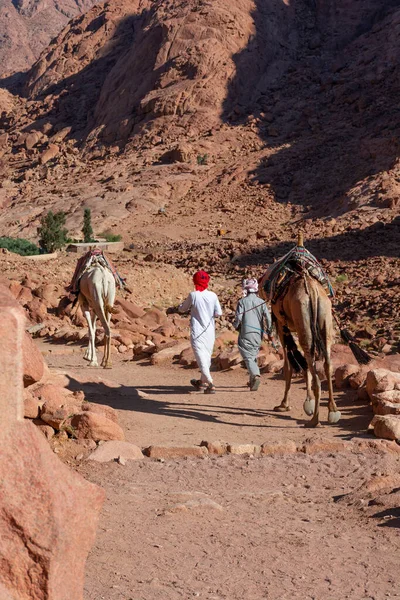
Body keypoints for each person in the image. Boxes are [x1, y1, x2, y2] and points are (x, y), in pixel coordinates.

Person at [178, 270, 222, 394]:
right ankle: (202, 382)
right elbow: (219, 313)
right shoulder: (213, 295)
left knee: (201, 356)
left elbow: (182, 309)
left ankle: (210, 383)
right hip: (210, 332)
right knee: (206, 357)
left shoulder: (193, 295)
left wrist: (181, 307)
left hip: (197, 332)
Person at [233, 278, 272, 392]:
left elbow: (239, 317)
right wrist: (269, 331)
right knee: (253, 354)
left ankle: (255, 375)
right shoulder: (261, 302)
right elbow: (268, 318)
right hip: (258, 333)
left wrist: (235, 325)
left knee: (247, 356)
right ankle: (252, 381)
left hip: (246, 332)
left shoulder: (242, 302)